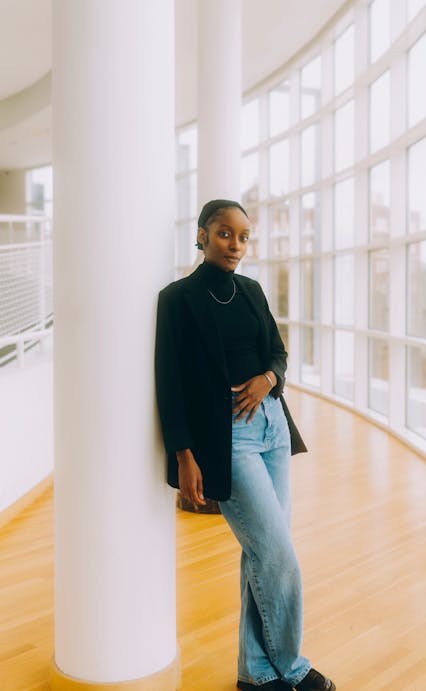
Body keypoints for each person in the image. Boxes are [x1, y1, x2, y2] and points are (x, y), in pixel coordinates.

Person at [155, 199, 335, 691]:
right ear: (201, 235)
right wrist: (184, 455)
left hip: (273, 427)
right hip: (226, 441)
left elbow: (277, 350)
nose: (235, 245)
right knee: (277, 555)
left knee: (261, 554)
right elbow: (169, 385)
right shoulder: (176, 300)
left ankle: (255, 672)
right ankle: (291, 666)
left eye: (243, 237)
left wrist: (268, 378)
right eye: (224, 234)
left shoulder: (252, 291)